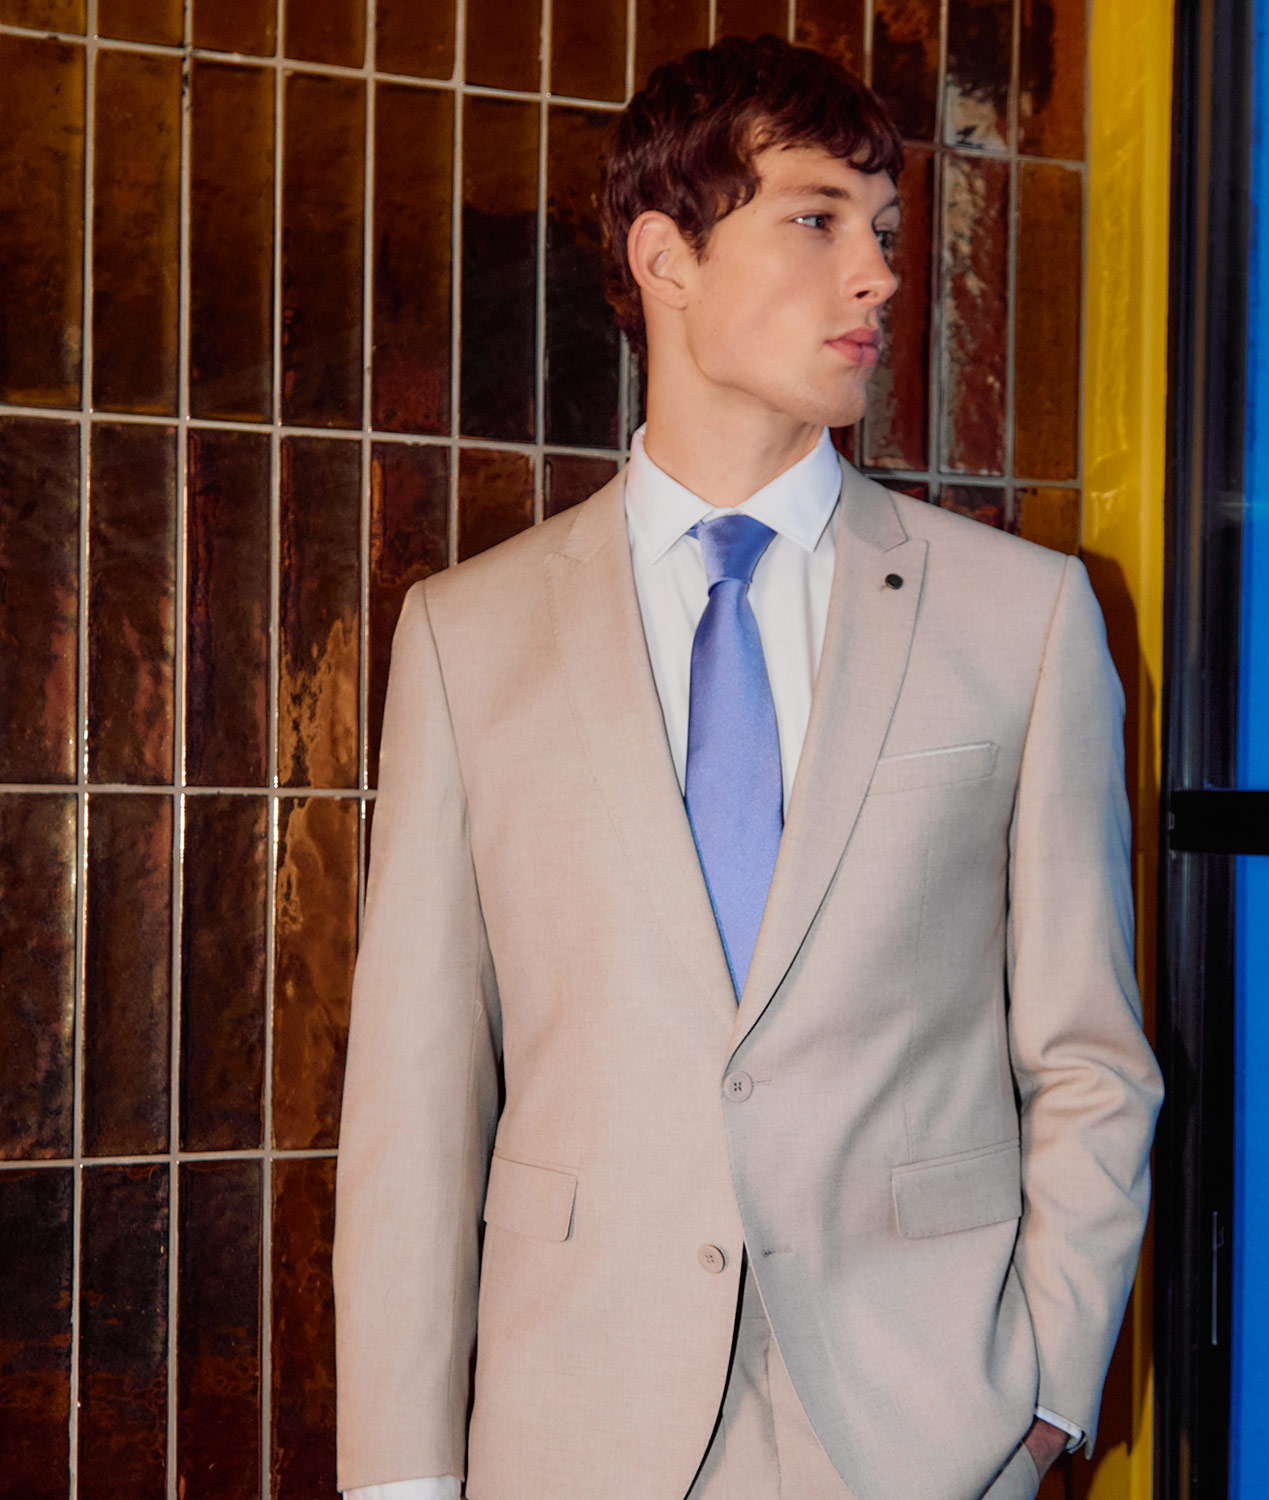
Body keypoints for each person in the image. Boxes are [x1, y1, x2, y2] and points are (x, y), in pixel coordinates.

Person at [333, 34, 1162, 1500]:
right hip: (575, 1431)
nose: (881, 277)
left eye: (886, 232)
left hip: (922, 1433)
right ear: (667, 257)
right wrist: (403, 1475)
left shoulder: (1022, 620)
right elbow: (413, 1101)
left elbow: (1089, 1053)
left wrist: (1042, 1388)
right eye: (815, 219)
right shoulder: (466, 639)